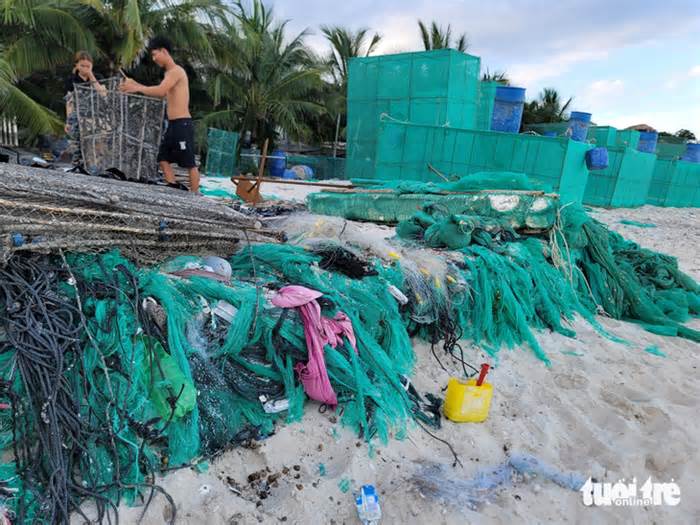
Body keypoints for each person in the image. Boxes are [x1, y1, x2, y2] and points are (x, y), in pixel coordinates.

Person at [119, 36, 200, 192]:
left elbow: (160, 90)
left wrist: (136, 88)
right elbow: (162, 93)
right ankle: (174, 190)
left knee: (189, 163)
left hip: (183, 124)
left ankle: (195, 197)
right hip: (173, 125)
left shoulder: (175, 71)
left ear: (164, 51)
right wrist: (133, 84)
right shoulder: (169, 74)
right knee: (162, 158)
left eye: (155, 54)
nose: (154, 58)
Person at [64, 51, 105, 170]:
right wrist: (68, 121)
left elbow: (103, 93)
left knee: (96, 144)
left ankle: (94, 167)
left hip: (95, 116)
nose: (85, 69)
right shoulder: (71, 80)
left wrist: (91, 76)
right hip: (78, 116)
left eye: (88, 66)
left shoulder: (98, 77)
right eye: (82, 66)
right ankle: (77, 166)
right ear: (76, 65)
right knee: (77, 144)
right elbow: (69, 101)